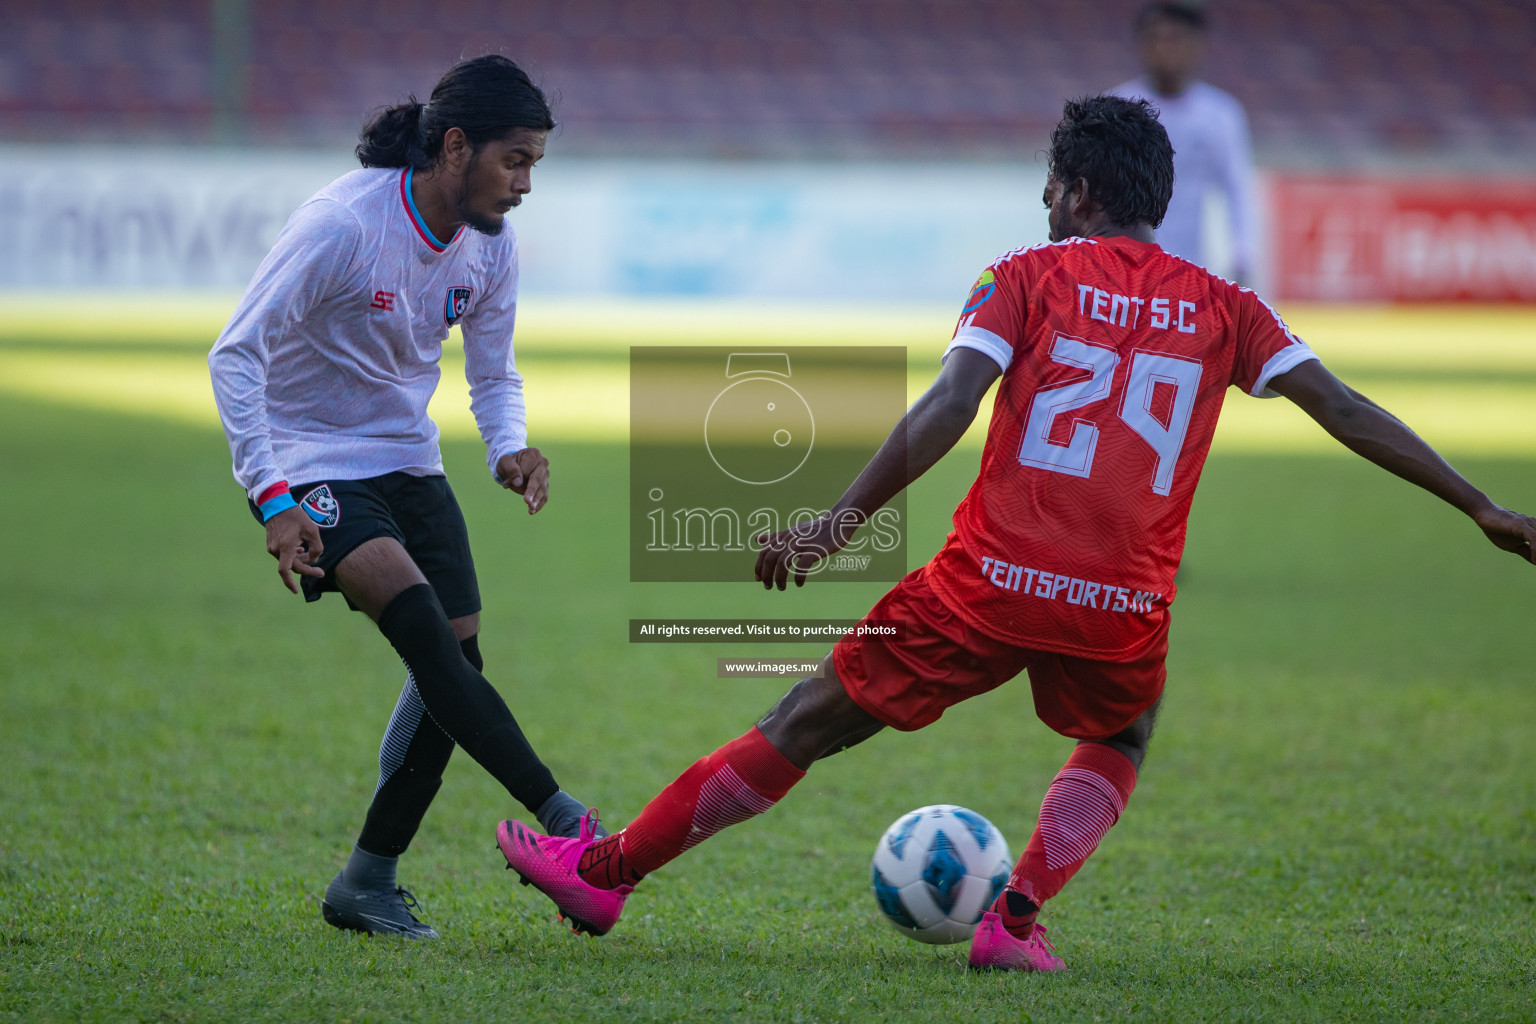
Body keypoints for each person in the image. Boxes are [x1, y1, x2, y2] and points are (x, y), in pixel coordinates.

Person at [497, 95, 1536, 969]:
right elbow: (1347, 410)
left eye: (1051, 186)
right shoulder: (1231, 309)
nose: (1043, 203)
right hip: (1124, 601)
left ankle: (604, 874)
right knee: (1124, 730)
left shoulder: (1026, 277)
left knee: (808, 718)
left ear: (1079, 192)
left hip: (983, 585)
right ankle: (1017, 919)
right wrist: (1481, 505)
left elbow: (949, 405)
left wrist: (835, 523)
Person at [208, 55, 602, 941]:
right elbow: (236, 353)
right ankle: (572, 822)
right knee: (426, 633)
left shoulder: (489, 249)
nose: (527, 183)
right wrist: (273, 498)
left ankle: (366, 883)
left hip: (408, 465)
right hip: (308, 465)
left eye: (536, 163)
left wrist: (509, 448)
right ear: (455, 147)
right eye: (516, 160)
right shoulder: (343, 226)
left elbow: (493, 373)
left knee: (454, 671)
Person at [1112, 2, 1257, 284]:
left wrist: (1242, 255)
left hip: (1191, 270)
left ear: (1196, 45)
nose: (1165, 48)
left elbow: (1237, 189)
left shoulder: (1220, 115)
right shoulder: (1118, 107)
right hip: (1128, 271)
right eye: (1156, 38)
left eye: (1175, 39)